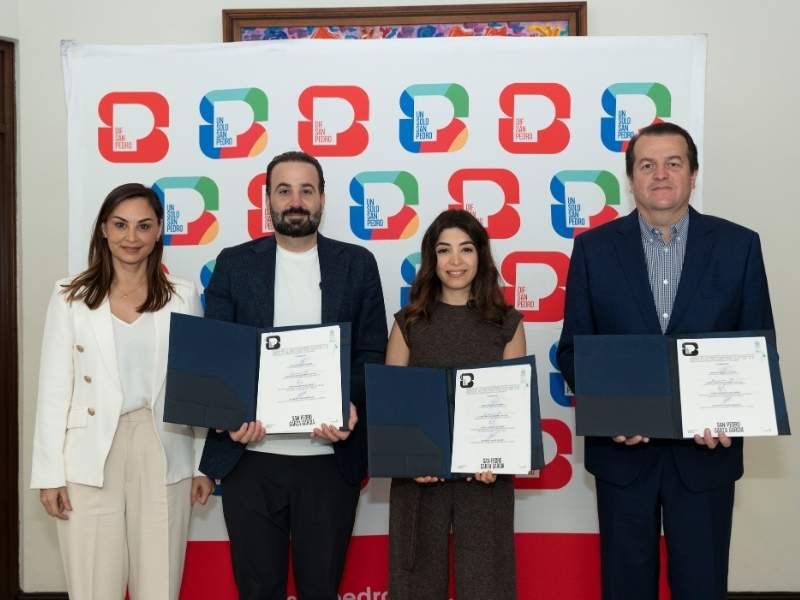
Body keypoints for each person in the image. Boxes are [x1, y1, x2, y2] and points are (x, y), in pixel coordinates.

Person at [557, 122, 775, 599]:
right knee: (626, 586)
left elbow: (756, 350)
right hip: (622, 458)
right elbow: (572, 350)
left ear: (693, 174)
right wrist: (612, 411)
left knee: (701, 586)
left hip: (706, 456)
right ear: (631, 178)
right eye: (647, 165)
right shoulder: (593, 249)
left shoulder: (738, 246)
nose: (660, 174)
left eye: (673, 163)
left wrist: (731, 414)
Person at [199, 150, 388, 600]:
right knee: (256, 589)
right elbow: (218, 355)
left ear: (323, 198)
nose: (296, 201)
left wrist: (349, 403)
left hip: (328, 460)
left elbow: (371, 352)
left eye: (307, 190)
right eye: (284, 190)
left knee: (320, 588)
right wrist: (230, 413)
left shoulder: (357, 263)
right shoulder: (235, 263)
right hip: (250, 456)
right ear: (268, 199)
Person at [30, 183, 214, 600]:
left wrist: (202, 464)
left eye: (143, 226)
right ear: (103, 229)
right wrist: (49, 474)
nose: (132, 237)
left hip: (164, 444)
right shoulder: (69, 297)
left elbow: (197, 388)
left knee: (160, 583)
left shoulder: (183, 296)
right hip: (89, 453)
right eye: (120, 225)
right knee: (94, 585)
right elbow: (54, 390)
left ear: (159, 230)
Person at [385, 209, 527, 600]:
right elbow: (392, 408)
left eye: (465, 249)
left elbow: (512, 411)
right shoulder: (408, 322)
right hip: (419, 482)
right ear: (431, 259)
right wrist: (409, 462)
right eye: (444, 250)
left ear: (480, 255)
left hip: (486, 481)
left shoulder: (507, 323)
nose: (455, 260)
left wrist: (497, 458)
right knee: (415, 587)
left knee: (487, 586)